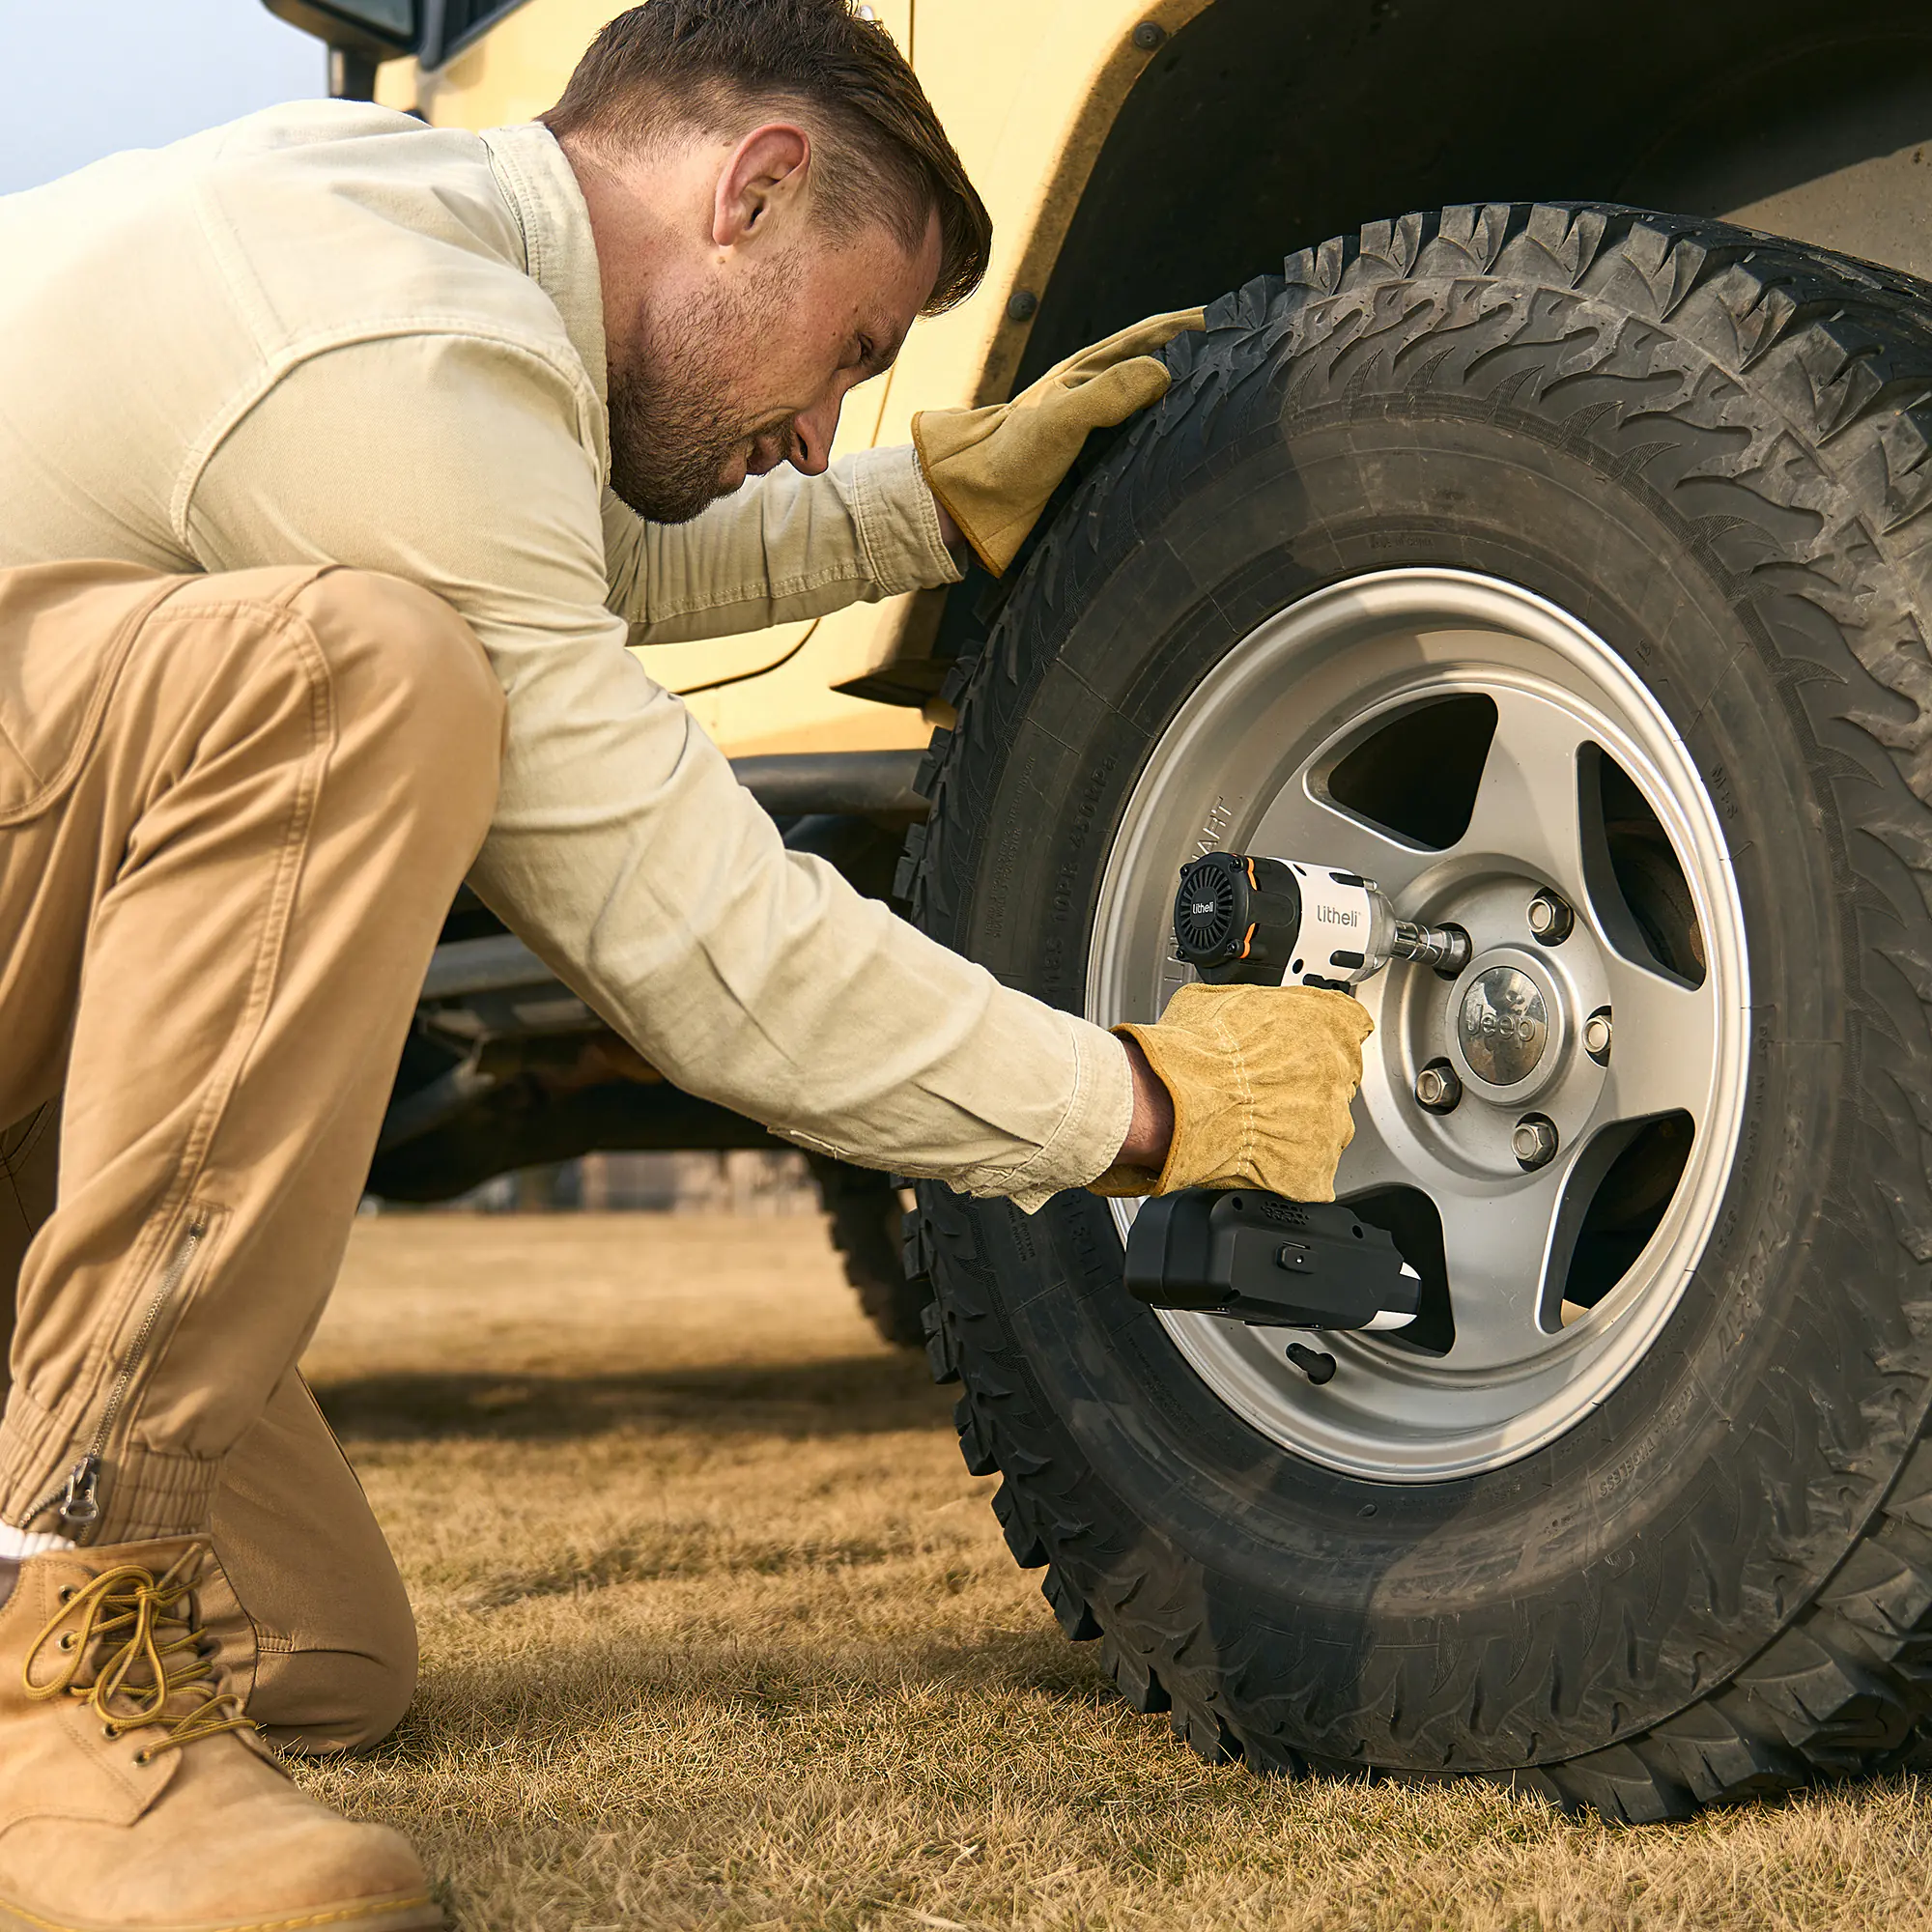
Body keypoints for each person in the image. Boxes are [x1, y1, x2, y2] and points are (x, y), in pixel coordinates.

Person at [0, 1, 1371, 1923]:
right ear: (757, 188)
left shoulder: (426, 251)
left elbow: (558, 545)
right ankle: (64, 1631)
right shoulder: (383, 335)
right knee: (363, 679)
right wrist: (1144, 1105)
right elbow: (692, 934)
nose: (821, 428)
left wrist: (925, 507)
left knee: (318, 1661)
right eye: (855, 353)